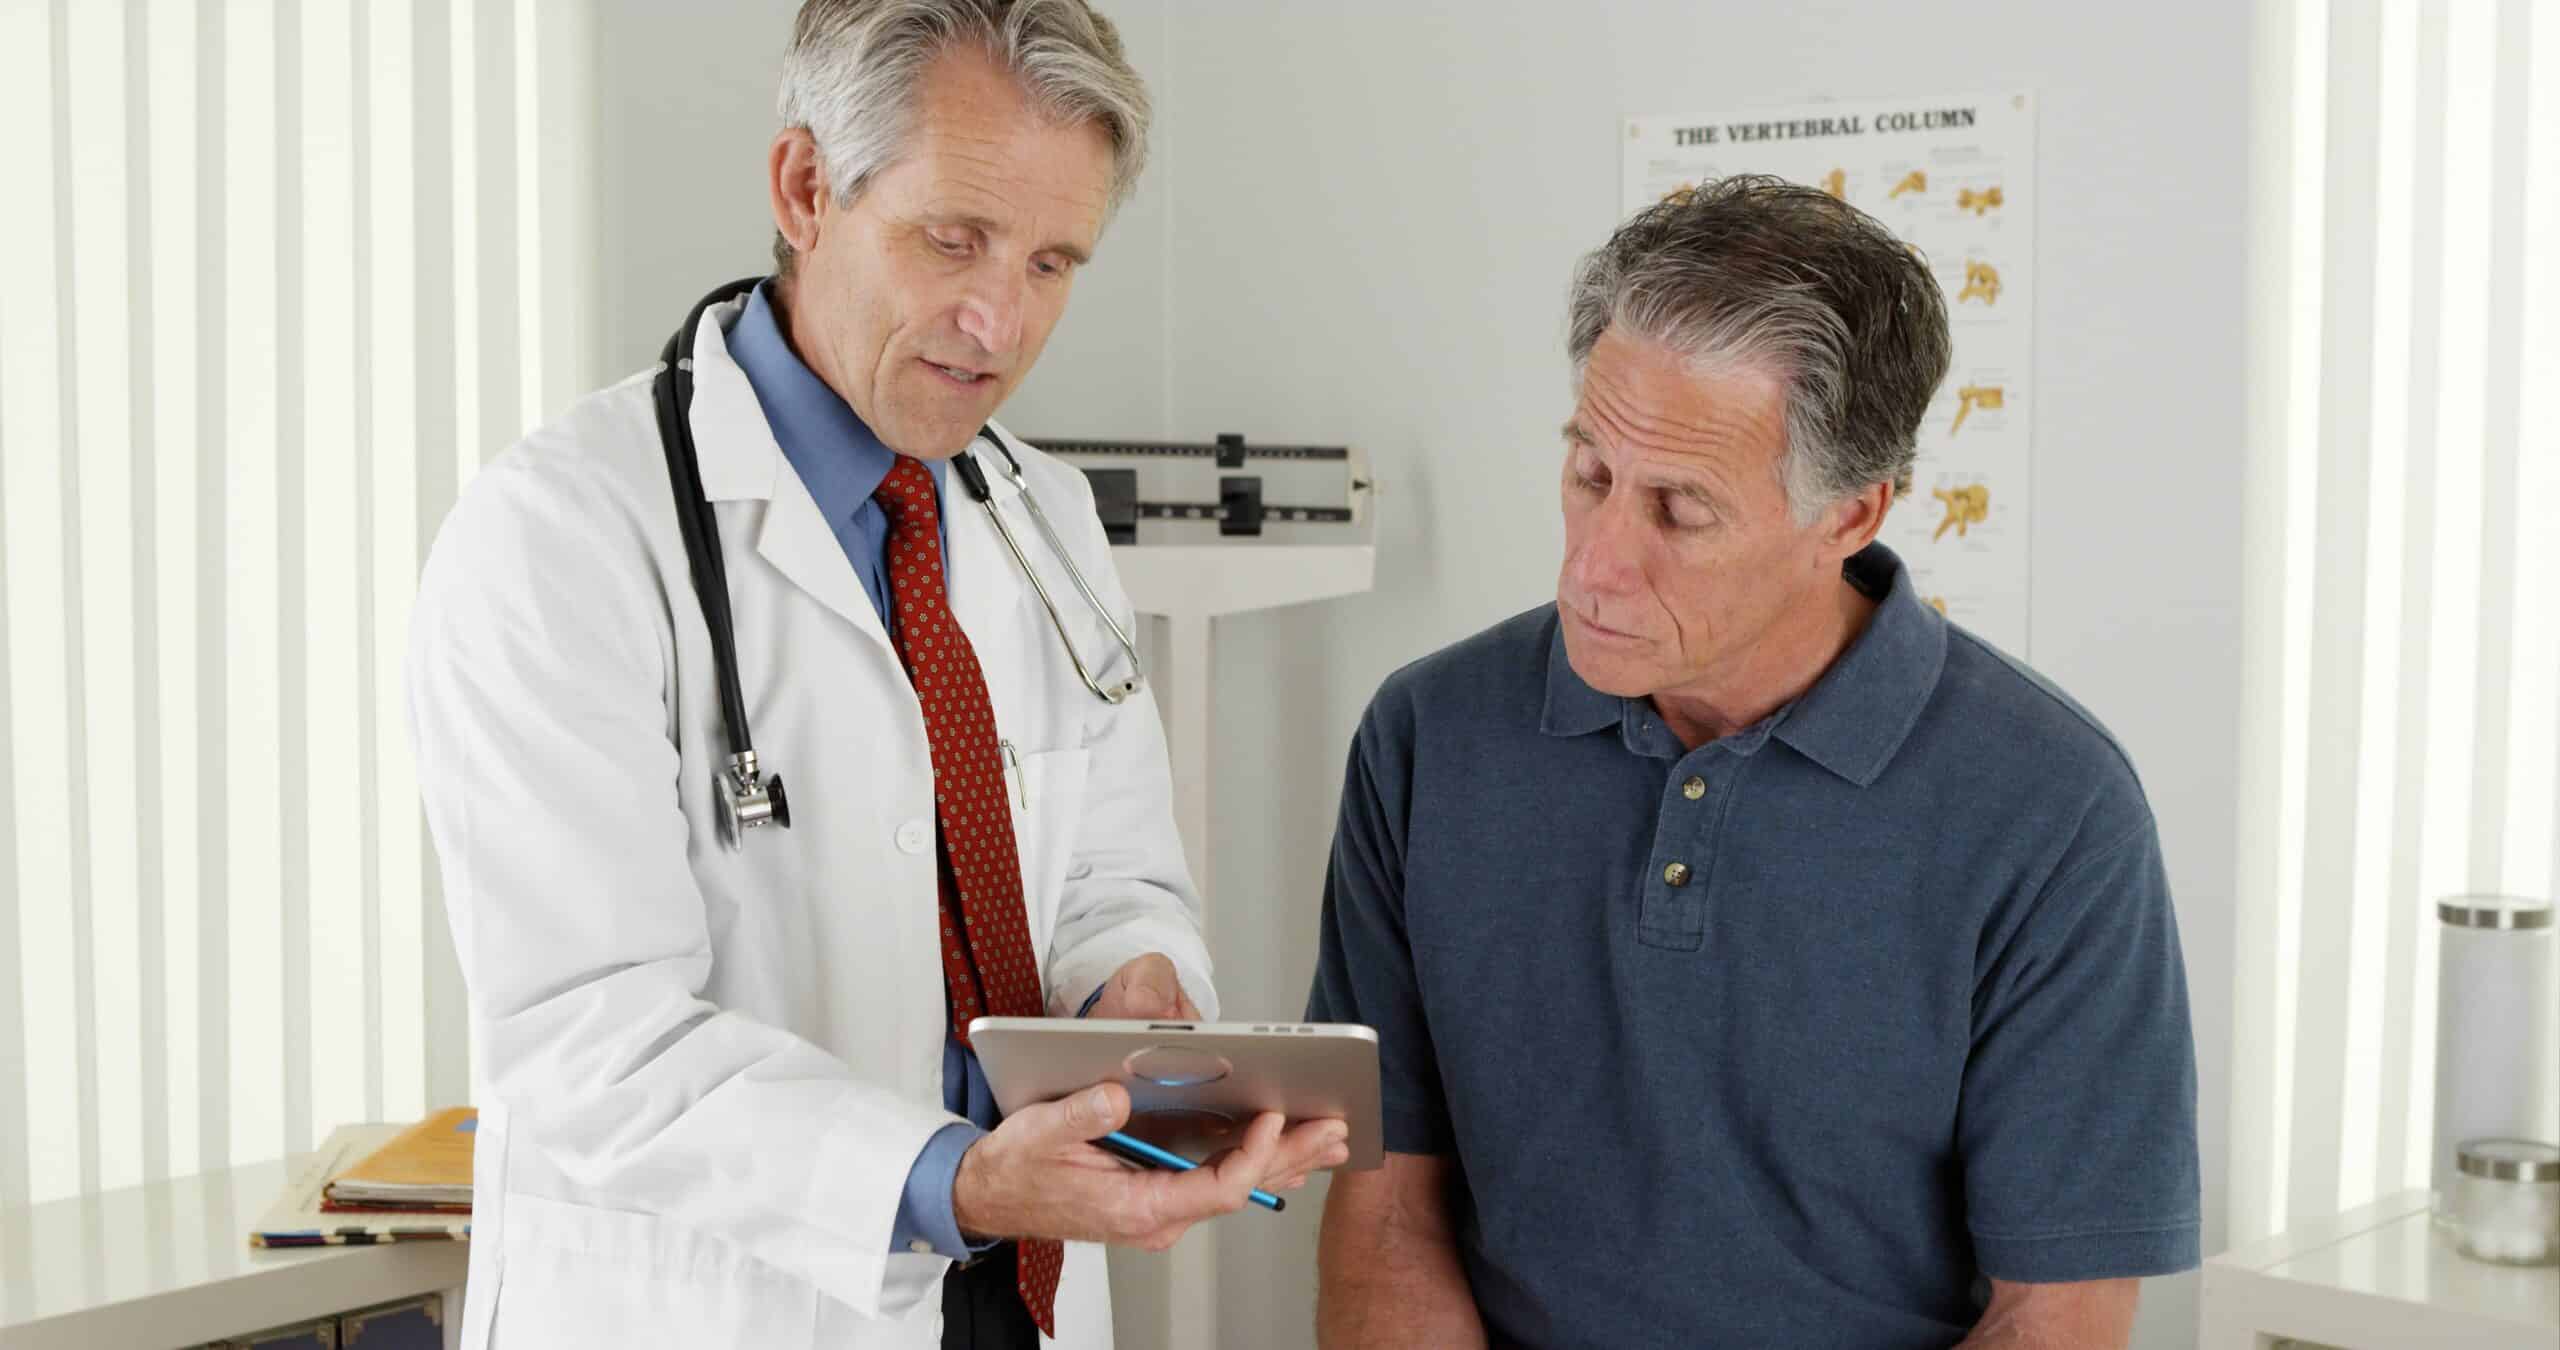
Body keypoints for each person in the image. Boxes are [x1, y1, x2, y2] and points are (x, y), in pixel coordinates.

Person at [407, 3, 1343, 1347]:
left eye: (1051, 261)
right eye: (952, 239)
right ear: (804, 188)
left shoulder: (1044, 519)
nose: (997, 319)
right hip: (722, 1307)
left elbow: (1111, 868)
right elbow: (589, 1034)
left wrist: (1126, 991)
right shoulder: (562, 535)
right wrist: (949, 1177)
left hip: (1014, 1299)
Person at [1306, 175, 2199, 1349]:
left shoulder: (2053, 809)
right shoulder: (1429, 736)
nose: (1594, 567)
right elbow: (1385, 1211)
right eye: (1590, 476)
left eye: (1679, 511)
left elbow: (2059, 1316)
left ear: (1850, 514)